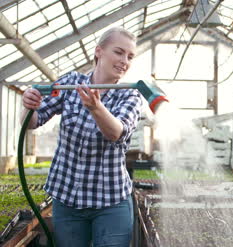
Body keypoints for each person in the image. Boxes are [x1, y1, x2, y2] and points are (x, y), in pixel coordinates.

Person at [21, 27, 142, 247]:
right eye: (119, 52)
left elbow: (116, 132)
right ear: (99, 51)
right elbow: (33, 121)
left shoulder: (130, 94)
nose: (125, 60)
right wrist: (28, 104)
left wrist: (97, 108)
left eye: (130, 56)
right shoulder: (71, 83)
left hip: (110, 201)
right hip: (67, 198)